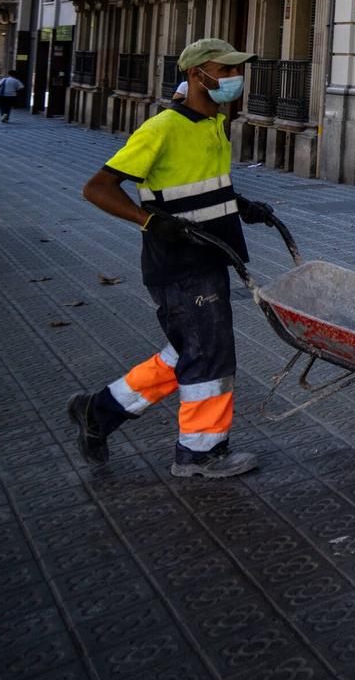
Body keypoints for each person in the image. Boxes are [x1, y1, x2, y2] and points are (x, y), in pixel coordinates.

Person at [64, 38, 276, 479]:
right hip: (179, 267)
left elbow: (199, 187)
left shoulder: (212, 123)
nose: (235, 79)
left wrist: (241, 205)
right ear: (199, 75)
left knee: (188, 352)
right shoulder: (162, 128)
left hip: (209, 258)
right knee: (210, 356)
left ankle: (97, 412)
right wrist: (151, 222)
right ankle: (200, 454)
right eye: (226, 70)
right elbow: (96, 188)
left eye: (238, 71)